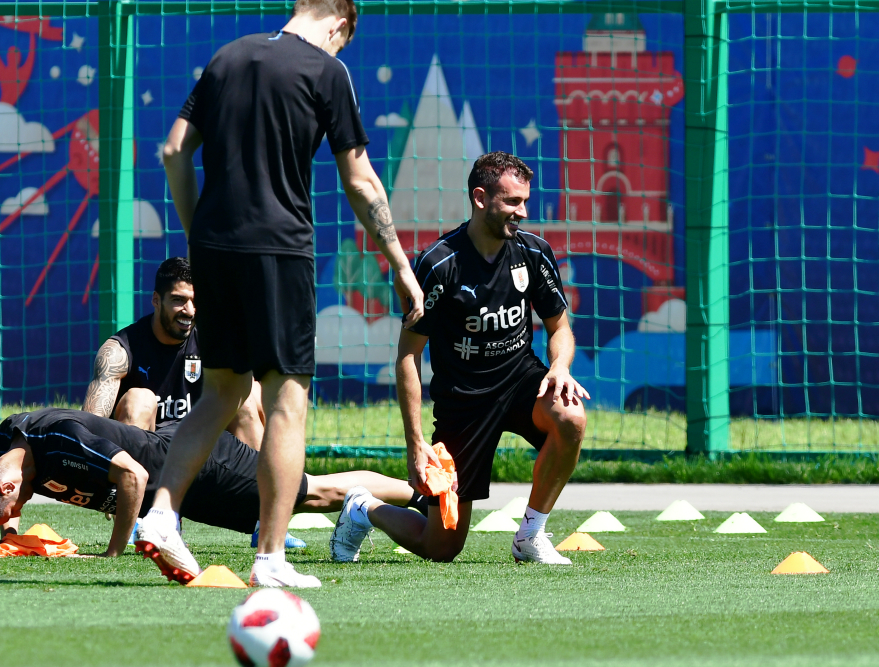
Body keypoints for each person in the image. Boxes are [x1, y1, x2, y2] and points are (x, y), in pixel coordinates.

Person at [143, 0, 424, 588]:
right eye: (343, 42)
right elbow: (359, 178)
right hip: (279, 249)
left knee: (220, 392)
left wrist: (198, 233)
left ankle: (163, 516)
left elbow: (173, 151)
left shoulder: (227, 56)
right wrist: (399, 262)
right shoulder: (327, 70)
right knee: (287, 402)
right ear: (340, 25)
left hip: (214, 248)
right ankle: (270, 558)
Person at [330, 152, 589, 565]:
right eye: (512, 202)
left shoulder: (534, 253)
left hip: (521, 380)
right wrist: (415, 444)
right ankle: (364, 507)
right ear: (480, 197)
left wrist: (559, 367)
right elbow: (408, 356)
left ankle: (530, 535)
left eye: (525, 201)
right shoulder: (438, 264)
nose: (522, 211)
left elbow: (560, 327)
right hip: (463, 404)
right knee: (443, 547)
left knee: (571, 418)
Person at [0, 408, 428, 582]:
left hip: (199, 466)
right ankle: (390, 501)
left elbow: (133, 476)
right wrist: (6, 533)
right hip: (184, 486)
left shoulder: (58, 438)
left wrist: (112, 553)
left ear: (9, 486)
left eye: (10, 511)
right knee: (305, 495)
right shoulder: (9, 446)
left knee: (310, 492)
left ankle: (421, 491)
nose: (16, 514)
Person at [82, 257, 265, 450]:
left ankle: (267, 479)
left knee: (247, 396)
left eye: (195, 301)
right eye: (178, 300)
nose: (190, 311)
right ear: (156, 300)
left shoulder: (215, 344)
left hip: (202, 458)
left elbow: (263, 409)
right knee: (140, 400)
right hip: (147, 461)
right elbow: (90, 427)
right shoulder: (119, 351)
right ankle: (131, 479)